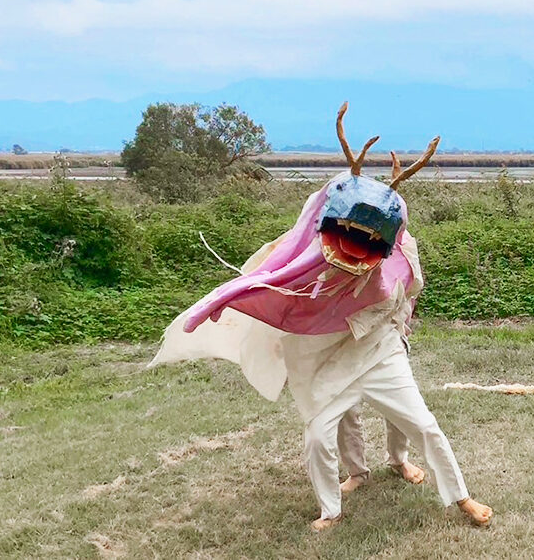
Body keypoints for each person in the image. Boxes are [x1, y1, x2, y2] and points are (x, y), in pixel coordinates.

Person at [150, 103, 492, 530]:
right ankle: (337, 498)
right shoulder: (309, 257)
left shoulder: (403, 253)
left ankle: (459, 497)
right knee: (320, 432)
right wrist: (222, 303)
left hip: (381, 349)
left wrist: (396, 327)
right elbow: (271, 285)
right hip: (327, 352)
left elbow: (407, 296)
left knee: (421, 422)